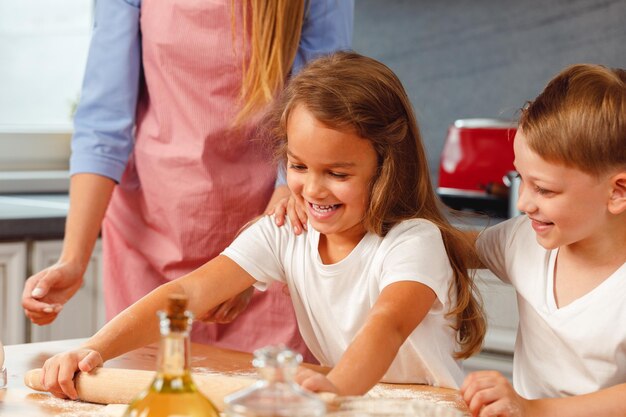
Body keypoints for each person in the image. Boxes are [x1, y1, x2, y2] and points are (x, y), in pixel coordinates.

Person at [38, 51, 486, 400]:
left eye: (338, 173)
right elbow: (185, 295)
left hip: (426, 406)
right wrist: (91, 349)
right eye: (298, 165)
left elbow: (386, 324)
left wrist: (336, 387)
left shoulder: (413, 242)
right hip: (350, 402)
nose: (313, 189)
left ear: (387, 165)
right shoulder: (286, 231)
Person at [21, 0, 353, 359]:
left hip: (272, 224)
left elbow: (319, 120)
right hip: (150, 233)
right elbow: (103, 125)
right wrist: (73, 259)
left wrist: (252, 261)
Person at [461, 64, 626, 417]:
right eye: (521, 179)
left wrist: (534, 409)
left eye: (544, 189)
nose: (523, 204)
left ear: (618, 191)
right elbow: (457, 247)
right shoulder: (526, 240)